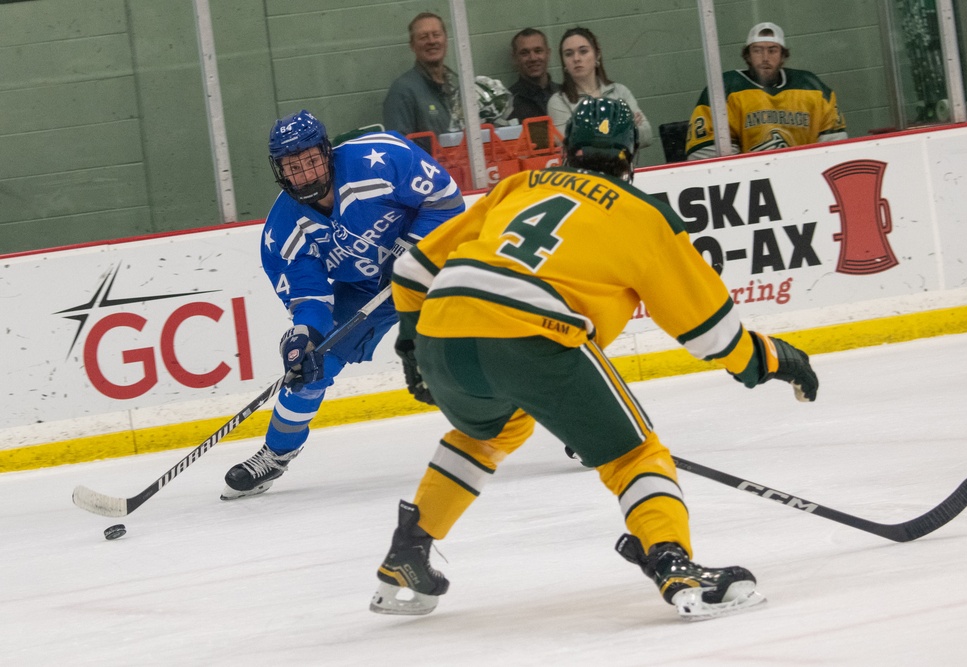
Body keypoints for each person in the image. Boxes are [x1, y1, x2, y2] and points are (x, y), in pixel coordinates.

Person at [369, 98, 819, 621]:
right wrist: (771, 359)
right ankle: (673, 562)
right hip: (532, 335)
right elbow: (714, 336)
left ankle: (408, 553)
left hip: (442, 329)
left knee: (491, 431)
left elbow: (410, 271)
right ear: (630, 157)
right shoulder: (645, 216)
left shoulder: (520, 186)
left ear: (566, 149)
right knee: (635, 455)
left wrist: (410, 352)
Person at [220, 109, 465, 500]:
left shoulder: (382, 159)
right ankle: (276, 453)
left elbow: (446, 202)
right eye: (294, 167)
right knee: (310, 367)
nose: (307, 174)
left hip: (433, 266)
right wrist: (304, 336)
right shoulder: (283, 232)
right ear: (280, 171)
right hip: (368, 289)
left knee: (491, 337)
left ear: (327, 153)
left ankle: (570, 417)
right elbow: (311, 299)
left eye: (312, 160)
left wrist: (412, 254)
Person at [686, 21, 848, 160]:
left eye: (772, 50)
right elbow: (703, 152)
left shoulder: (813, 87)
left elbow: (834, 146)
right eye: (757, 50)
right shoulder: (724, 88)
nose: (765, 57)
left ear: (783, 56)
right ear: (747, 56)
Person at [546, 27, 652, 149]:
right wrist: (624, 127)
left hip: (624, 167)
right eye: (569, 54)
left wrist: (588, 133)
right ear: (564, 62)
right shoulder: (558, 101)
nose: (576, 58)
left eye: (583, 51)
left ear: (597, 55)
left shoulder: (620, 91)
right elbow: (570, 146)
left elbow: (647, 135)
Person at [383, 12, 463, 136]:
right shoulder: (402, 92)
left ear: (446, 41)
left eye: (436, 35)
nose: (431, 41)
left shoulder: (459, 84)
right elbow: (400, 146)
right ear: (412, 46)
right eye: (423, 37)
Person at [508, 28, 559, 122]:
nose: (533, 58)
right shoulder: (508, 104)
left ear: (548, 53)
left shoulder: (565, 94)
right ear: (515, 58)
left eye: (538, 51)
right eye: (524, 53)